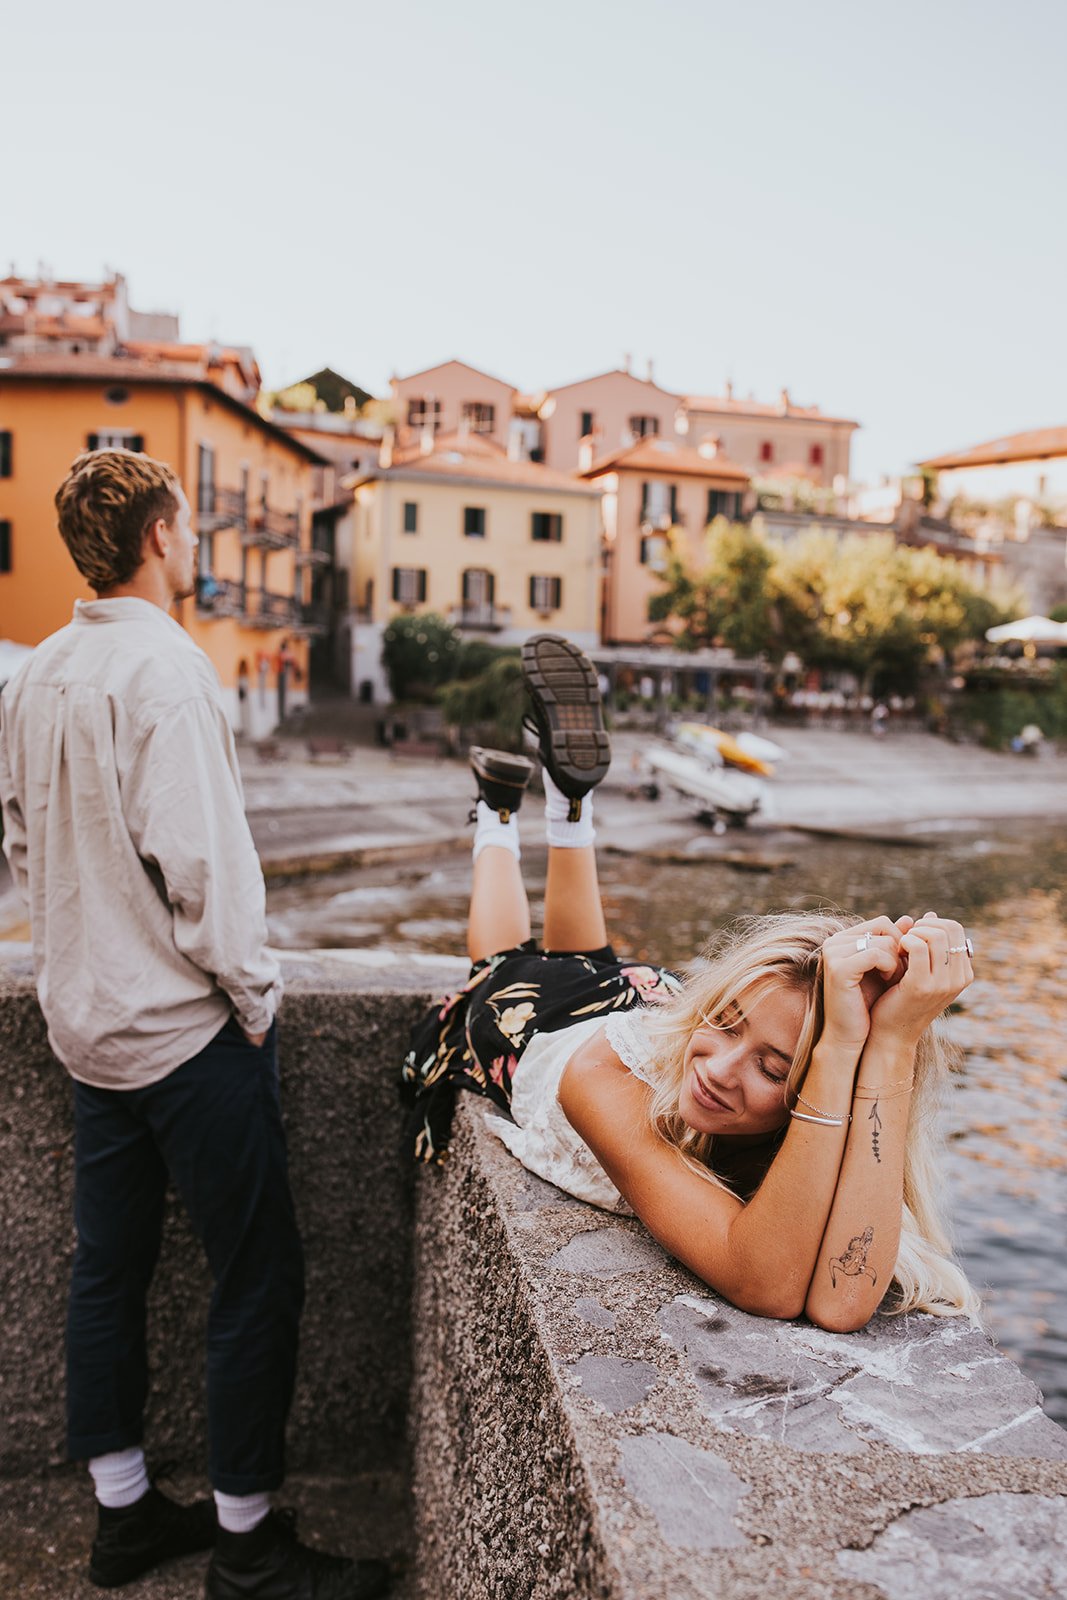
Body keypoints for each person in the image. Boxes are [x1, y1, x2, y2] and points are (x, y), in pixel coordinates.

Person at [0, 449, 388, 1599]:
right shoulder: (167, 674)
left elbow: (22, 847)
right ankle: (247, 1543)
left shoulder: (38, 672)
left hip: (86, 1024)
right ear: (163, 535)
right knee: (256, 1274)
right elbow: (208, 875)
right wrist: (254, 999)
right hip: (180, 1033)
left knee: (106, 1269)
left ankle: (123, 1514)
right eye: (188, 523)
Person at [403, 633, 980, 1329]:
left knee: (588, 956)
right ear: (714, 1002)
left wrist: (889, 1045)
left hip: (653, 999)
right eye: (728, 1021)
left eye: (771, 1068)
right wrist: (814, 1053)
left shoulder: (824, 1082)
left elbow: (839, 1300)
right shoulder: (605, 1081)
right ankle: (499, 813)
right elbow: (763, 1283)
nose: (720, 1069)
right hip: (568, 1034)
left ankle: (567, 799)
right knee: (505, 967)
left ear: (818, 1084)